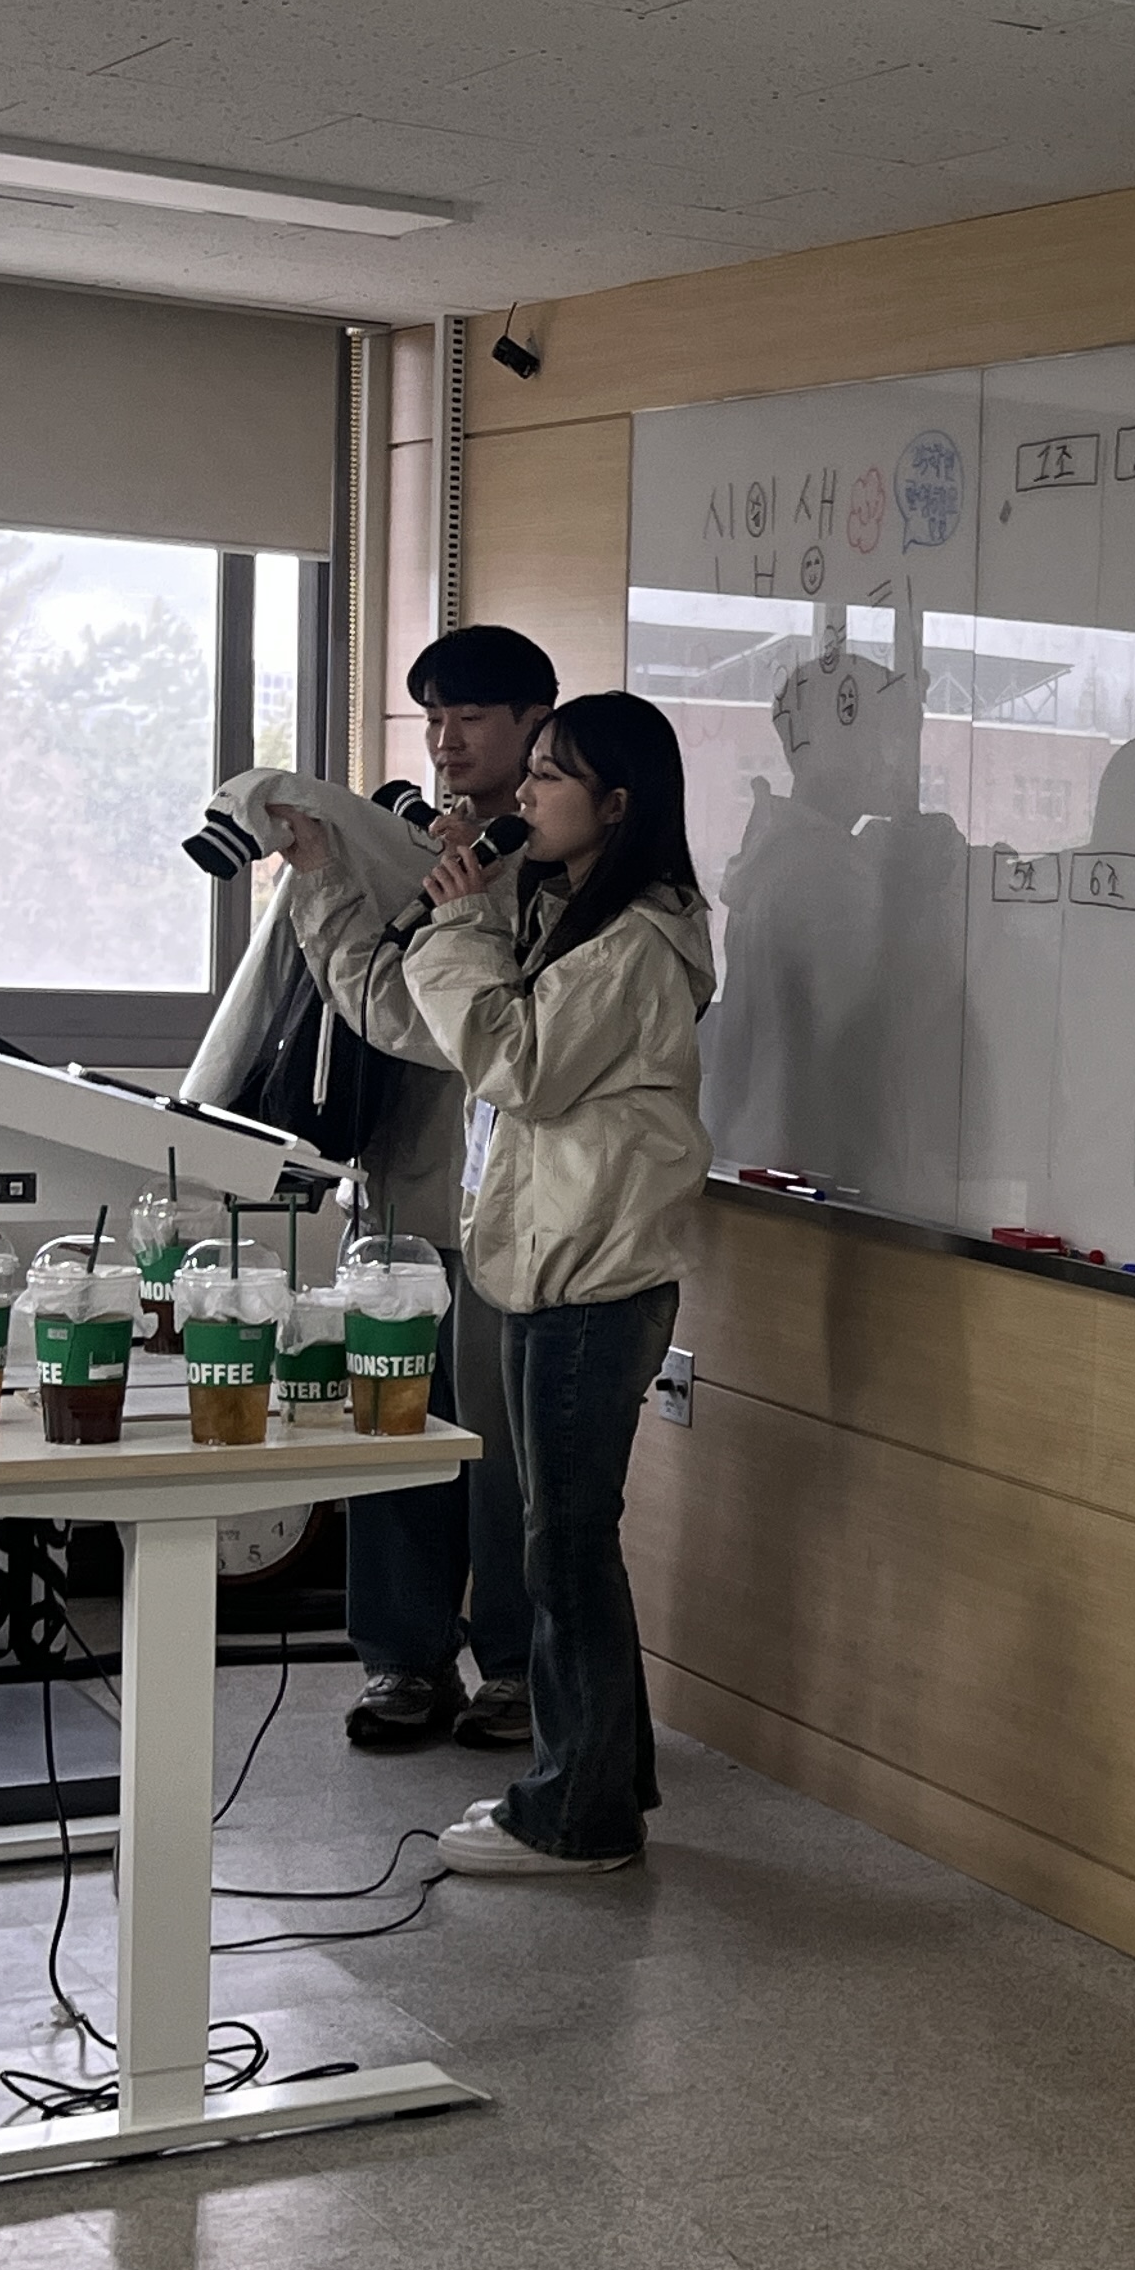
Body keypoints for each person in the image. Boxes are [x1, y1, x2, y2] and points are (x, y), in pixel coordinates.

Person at [403, 692, 716, 1875]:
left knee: (565, 1546)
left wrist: (457, 927)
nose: (522, 793)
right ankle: (602, 1781)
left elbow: (519, 1060)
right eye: (527, 770)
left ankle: (577, 1816)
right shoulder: (578, 915)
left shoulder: (635, 941)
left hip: (595, 1277)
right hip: (557, 1265)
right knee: (566, 1541)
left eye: (548, 774)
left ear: (617, 803)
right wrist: (477, 903)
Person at [269, 625, 555, 1753]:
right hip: (393, 1192)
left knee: (501, 1458)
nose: (445, 741)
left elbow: (432, 1024)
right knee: (390, 1436)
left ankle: (515, 1672)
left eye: (471, 717)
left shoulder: (550, 866)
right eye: (433, 718)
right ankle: (402, 1661)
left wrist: (344, 895)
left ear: (535, 722)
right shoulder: (422, 842)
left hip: (503, 1214)